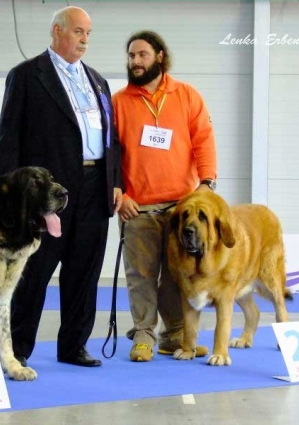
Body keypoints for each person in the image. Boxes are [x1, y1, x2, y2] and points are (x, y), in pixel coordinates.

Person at [0, 6, 122, 368]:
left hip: (96, 187)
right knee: (34, 270)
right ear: (57, 32)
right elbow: (7, 143)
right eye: (78, 32)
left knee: (85, 271)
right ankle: (17, 349)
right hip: (47, 192)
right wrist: (9, 198)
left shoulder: (98, 80)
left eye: (88, 34)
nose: (84, 40)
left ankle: (73, 346)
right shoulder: (27, 75)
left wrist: (116, 182)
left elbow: (111, 139)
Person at [112, 31, 217, 362]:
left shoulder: (186, 95)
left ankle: (174, 336)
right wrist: (119, 193)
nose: (135, 61)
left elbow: (204, 139)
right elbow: (109, 153)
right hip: (137, 207)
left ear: (160, 56)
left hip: (181, 209)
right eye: (131, 56)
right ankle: (143, 335)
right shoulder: (117, 102)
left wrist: (207, 182)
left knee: (176, 275)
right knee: (140, 275)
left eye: (142, 55)